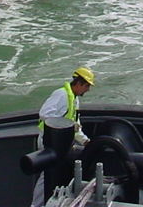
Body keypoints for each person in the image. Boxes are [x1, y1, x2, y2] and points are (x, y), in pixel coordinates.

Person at [30, 67, 96, 207]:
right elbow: (45, 113)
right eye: (87, 86)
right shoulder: (61, 95)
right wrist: (65, 125)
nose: (88, 90)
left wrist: (85, 141)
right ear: (79, 83)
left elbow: (75, 125)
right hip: (49, 141)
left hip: (61, 143)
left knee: (55, 173)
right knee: (46, 175)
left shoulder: (74, 100)